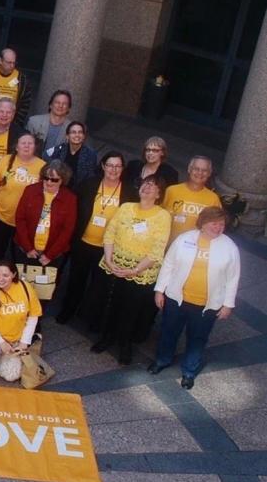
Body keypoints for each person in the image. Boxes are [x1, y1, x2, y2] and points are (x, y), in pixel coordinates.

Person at [150, 207, 240, 390]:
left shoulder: (229, 246)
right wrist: (160, 290)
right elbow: (168, 264)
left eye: (222, 224)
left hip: (207, 305)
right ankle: (162, 360)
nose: (218, 227)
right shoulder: (184, 239)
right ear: (203, 222)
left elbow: (233, 277)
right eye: (214, 223)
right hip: (177, 298)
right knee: (169, 332)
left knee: (197, 339)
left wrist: (228, 304)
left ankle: (189, 371)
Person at [86, 174, 171, 364]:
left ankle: (125, 344)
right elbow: (110, 233)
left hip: (141, 271)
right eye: (145, 183)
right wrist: (108, 259)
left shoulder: (163, 216)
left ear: (159, 194)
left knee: (132, 309)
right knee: (111, 303)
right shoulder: (125, 207)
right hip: (115, 265)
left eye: (153, 185)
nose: (147, 187)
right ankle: (107, 337)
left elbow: (158, 249)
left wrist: (134, 270)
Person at [57, 153, 133, 325]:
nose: (113, 169)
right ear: (103, 166)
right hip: (83, 242)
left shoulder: (128, 192)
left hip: (107, 248)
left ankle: (91, 317)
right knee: (76, 280)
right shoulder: (90, 184)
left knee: (100, 286)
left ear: (122, 169)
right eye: (110, 165)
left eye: (118, 166)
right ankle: (68, 310)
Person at [0, 134, 45, 266]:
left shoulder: (42, 167)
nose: (27, 146)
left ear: (35, 147)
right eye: (23, 143)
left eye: (30, 143)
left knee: (19, 257)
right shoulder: (6, 161)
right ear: (16, 147)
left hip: (25, 223)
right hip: (1, 217)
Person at [13, 161, 78, 277]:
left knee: (44, 288)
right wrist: (28, 248)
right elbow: (20, 219)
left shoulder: (70, 199)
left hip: (52, 255)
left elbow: (67, 230)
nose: (49, 182)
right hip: (26, 250)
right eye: (46, 178)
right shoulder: (30, 190)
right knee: (21, 281)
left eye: (54, 180)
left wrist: (50, 255)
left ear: (62, 180)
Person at [162, 156, 220, 244]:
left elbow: (216, 226)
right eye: (196, 169)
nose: (200, 173)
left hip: (195, 249)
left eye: (204, 170)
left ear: (209, 173)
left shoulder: (213, 198)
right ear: (189, 169)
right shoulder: (171, 191)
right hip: (169, 245)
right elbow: (160, 216)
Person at [0, 48, 33, 126]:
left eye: (14, 63)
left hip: (10, 121)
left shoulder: (22, 80)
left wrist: (15, 123)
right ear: (0, 61)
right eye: (9, 62)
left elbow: (25, 104)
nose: (12, 66)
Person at [44, 121, 99, 186]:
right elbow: (45, 154)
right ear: (67, 136)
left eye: (80, 132)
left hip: (79, 189)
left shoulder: (90, 154)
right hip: (58, 186)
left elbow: (90, 177)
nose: (77, 135)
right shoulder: (60, 149)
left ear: (84, 136)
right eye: (73, 132)